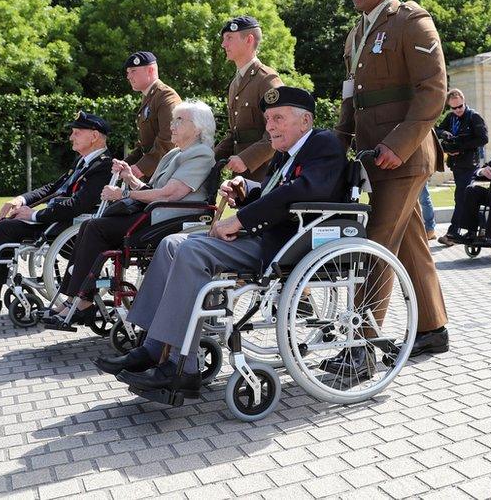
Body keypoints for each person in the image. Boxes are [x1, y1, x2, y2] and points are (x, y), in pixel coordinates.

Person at [92, 87, 348, 396]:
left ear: (305, 121)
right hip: (265, 234)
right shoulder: (287, 151)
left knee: (190, 250)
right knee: (171, 244)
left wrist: (240, 219)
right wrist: (245, 190)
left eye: (278, 118)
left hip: (284, 244)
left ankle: (180, 367)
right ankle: (152, 346)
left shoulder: (323, 144)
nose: (269, 127)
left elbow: (300, 192)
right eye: (268, 119)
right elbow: (273, 193)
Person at [333, 0, 449, 370]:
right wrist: (336, 143)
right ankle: (433, 330)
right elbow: (352, 97)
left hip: (403, 156)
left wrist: (396, 145)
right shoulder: (356, 33)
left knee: (377, 242)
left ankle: (360, 347)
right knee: (410, 242)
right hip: (372, 156)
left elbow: (433, 92)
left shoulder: (411, 21)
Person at [40, 101, 216, 329]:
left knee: (95, 228)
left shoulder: (200, 154)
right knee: (91, 226)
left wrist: (123, 192)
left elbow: (171, 194)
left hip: (170, 219)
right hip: (156, 213)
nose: (172, 125)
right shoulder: (175, 153)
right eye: (173, 120)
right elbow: (151, 190)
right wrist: (129, 177)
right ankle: (75, 299)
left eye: (179, 120)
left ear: (199, 128)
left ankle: (80, 302)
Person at [0, 112, 113, 316]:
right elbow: (53, 188)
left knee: (5, 228)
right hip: (56, 219)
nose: (71, 137)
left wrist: (33, 215)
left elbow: (78, 204)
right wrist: (20, 200)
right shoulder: (83, 162)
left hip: (69, 226)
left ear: (94, 136)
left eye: (76, 132)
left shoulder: (103, 165)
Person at [215, 15, 283, 183]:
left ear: (249, 40)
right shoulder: (235, 84)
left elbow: (280, 129)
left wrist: (247, 159)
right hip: (242, 176)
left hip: (265, 174)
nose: (224, 44)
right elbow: (235, 133)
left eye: (229, 38)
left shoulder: (267, 79)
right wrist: (208, 159)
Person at [435, 89, 488, 246]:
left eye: (460, 106)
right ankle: (483, 226)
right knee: (465, 198)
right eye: (454, 108)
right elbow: (436, 129)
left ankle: (452, 233)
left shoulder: (474, 116)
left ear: (464, 102)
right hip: (456, 164)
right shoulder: (450, 118)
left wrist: (462, 147)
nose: (458, 110)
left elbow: (483, 138)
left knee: (461, 197)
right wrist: (444, 133)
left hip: (470, 164)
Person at [122, 51, 182, 180]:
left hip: (167, 174)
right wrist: (126, 164)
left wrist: (142, 167)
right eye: (128, 72)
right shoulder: (151, 97)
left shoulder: (166, 96)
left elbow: (169, 138)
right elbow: (146, 143)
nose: (128, 77)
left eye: (133, 71)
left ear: (150, 70)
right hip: (156, 172)